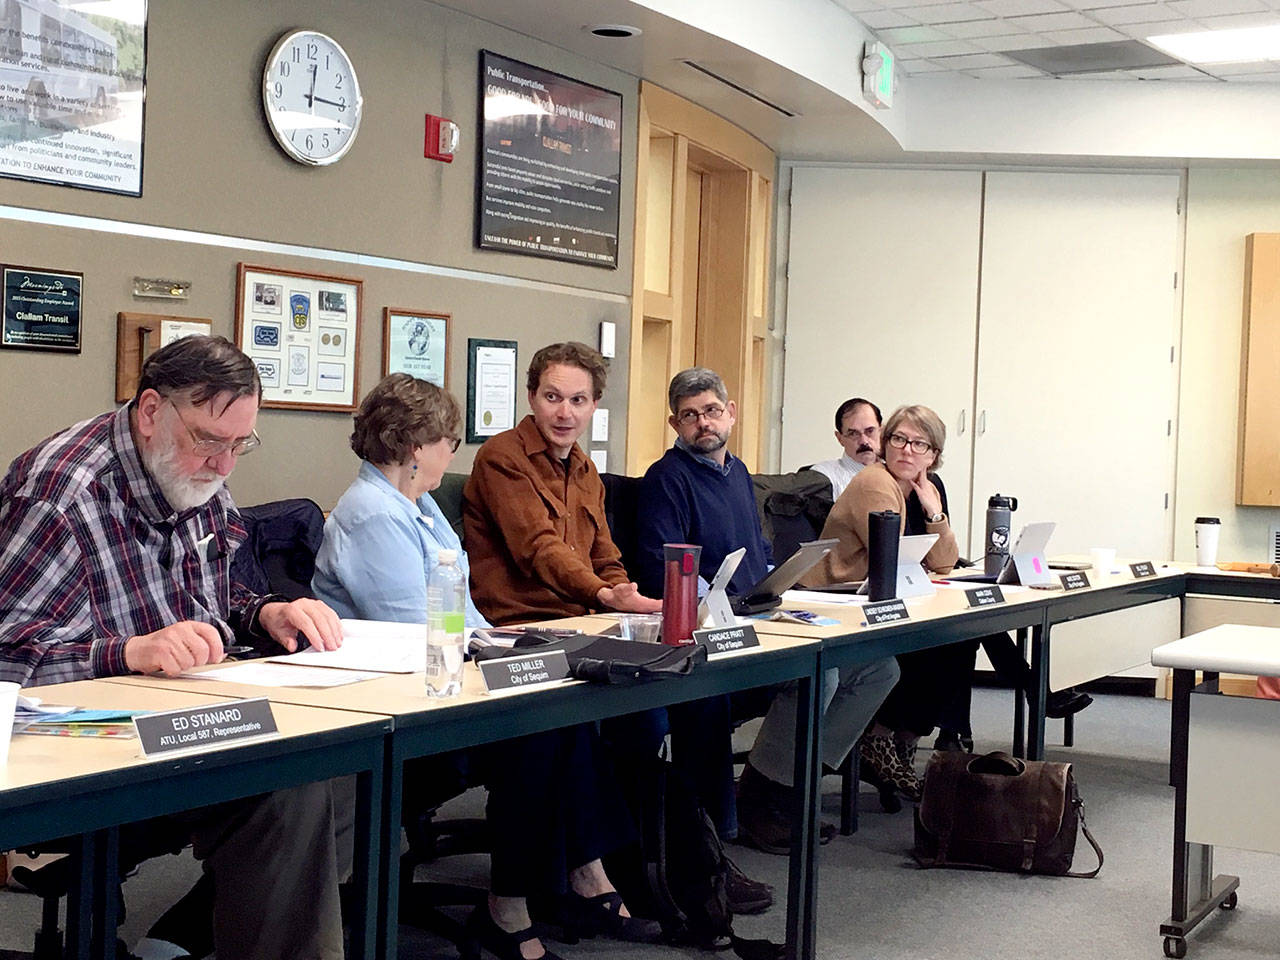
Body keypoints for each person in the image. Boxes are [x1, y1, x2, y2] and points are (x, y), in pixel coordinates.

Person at [0, 335, 346, 960]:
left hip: (180, 721)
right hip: (81, 746)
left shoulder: (194, 477)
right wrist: (126, 652)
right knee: (292, 790)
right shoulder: (61, 494)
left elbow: (217, 606)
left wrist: (266, 612)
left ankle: (184, 940)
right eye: (211, 441)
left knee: (345, 769)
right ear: (152, 411)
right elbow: (5, 662)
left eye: (241, 445)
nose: (224, 466)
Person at [314, 373, 656, 960]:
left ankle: (585, 878)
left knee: (563, 709)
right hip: (401, 711)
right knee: (536, 736)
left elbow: (465, 612)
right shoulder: (372, 513)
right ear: (414, 444)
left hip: (444, 682)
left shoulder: (416, 506)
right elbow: (417, 630)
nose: (453, 452)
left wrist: (518, 644)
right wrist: (500, 650)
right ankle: (510, 907)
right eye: (447, 439)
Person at [464, 343, 770, 913]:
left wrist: (628, 599)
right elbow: (539, 550)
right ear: (531, 397)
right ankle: (639, 867)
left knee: (683, 700)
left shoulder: (583, 467)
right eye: (553, 397)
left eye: (578, 400)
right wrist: (607, 594)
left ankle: (690, 859)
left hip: (586, 626)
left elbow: (605, 554)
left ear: (594, 405)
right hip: (524, 633)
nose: (564, 412)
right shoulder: (503, 458)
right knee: (638, 721)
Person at [634, 368, 899, 855]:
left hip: (761, 611)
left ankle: (775, 786)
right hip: (712, 628)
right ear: (675, 425)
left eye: (712, 411)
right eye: (690, 416)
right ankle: (763, 802)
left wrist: (781, 578)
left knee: (880, 667)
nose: (703, 424)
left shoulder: (738, 474)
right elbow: (660, 571)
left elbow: (757, 551)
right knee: (822, 674)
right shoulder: (665, 480)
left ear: (731, 414)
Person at [806, 404, 969, 808]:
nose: (907, 451)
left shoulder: (920, 486)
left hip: (877, 597)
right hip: (837, 600)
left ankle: (902, 741)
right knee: (938, 643)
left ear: (933, 455)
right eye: (898, 439)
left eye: (919, 444)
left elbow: (945, 560)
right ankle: (878, 737)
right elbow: (892, 557)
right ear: (886, 443)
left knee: (959, 639)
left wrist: (934, 510)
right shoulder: (876, 482)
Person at [809, 397, 883, 499]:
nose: (864, 441)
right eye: (853, 433)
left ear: (881, 431)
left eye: (870, 431)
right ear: (839, 438)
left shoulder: (896, 472)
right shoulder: (826, 476)